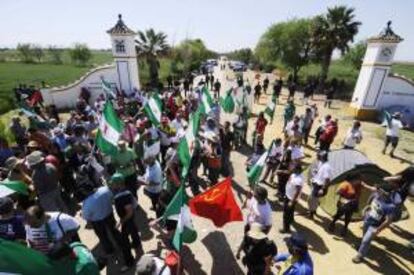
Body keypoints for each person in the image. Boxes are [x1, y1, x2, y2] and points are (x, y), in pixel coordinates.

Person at [80, 181, 134, 271]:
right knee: (114, 231)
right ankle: (120, 244)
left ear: (85, 191)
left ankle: (110, 251)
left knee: (103, 236)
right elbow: (112, 198)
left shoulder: (86, 203)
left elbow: (86, 216)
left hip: (97, 221)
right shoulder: (105, 189)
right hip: (109, 215)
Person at [352, 184, 396, 263]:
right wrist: (366, 209)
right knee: (364, 236)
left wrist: (378, 230)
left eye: (380, 191)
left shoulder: (391, 206)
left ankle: (360, 255)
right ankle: (362, 247)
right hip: (367, 220)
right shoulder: (376, 195)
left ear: (386, 193)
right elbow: (370, 202)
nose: (378, 191)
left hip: (375, 226)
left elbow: (388, 220)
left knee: (366, 240)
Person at [109, 173, 144, 259]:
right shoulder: (128, 191)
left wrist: (121, 222)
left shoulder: (121, 197)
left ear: (118, 184)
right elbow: (135, 204)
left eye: (113, 183)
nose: (112, 185)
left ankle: (129, 260)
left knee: (124, 239)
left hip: (126, 219)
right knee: (134, 230)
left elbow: (129, 212)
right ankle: (137, 243)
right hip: (130, 219)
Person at [281, 164, 304, 234]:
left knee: (286, 214)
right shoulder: (295, 174)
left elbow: (298, 191)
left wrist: (292, 201)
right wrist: (280, 171)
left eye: (293, 168)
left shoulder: (299, 179)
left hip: (291, 199)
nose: (292, 169)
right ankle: (291, 220)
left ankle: (286, 229)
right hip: (289, 196)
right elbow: (288, 172)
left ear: (297, 170)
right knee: (291, 211)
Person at [308, 151, 332, 219]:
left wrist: (323, 189)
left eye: (319, 156)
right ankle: (313, 211)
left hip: (319, 186)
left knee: (311, 199)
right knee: (315, 199)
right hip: (316, 183)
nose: (317, 157)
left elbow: (327, 180)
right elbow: (320, 173)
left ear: (322, 157)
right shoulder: (321, 163)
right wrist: (316, 172)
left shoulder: (327, 167)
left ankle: (311, 212)